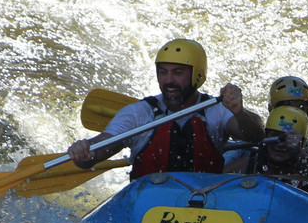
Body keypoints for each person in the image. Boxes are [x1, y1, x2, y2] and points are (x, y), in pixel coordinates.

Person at [67, 38, 264, 177]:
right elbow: (100, 149)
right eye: (163, 72)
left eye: (177, 73)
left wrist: (239, 112)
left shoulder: (216, 109)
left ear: (197, 75)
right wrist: (86, 152)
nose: (168, 80)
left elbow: (255, 135)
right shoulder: (138, 113)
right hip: (149, 207)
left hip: (204, 206)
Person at [227, 105, 308, 197]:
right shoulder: (248, 165)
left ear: (301, 143)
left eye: (287, 140)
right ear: (266, 136)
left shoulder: (306, 170)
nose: (279, 145)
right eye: (274, 135)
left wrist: (299, 153)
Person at [267, 75, 308, 170]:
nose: (294, 113)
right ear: (270, 109)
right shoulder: (260, 136)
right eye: (287, 106)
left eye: (300, 108)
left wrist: (300, 153)